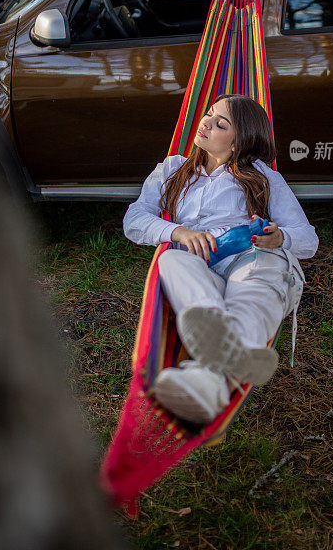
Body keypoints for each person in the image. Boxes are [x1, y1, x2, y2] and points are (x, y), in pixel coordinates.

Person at [123, 94, 319, 425]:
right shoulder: (173, 169)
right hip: (201, 263)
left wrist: (280, 237)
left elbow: (308, 239)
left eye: (220, 123)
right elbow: (135, 219)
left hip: (249, 257)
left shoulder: (264, 178)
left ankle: (207, 378)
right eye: (209, 115)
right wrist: (179, 232)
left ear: (240, 141)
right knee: (171, 263)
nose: (206, 123)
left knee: (258, 276)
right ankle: (233, 353)